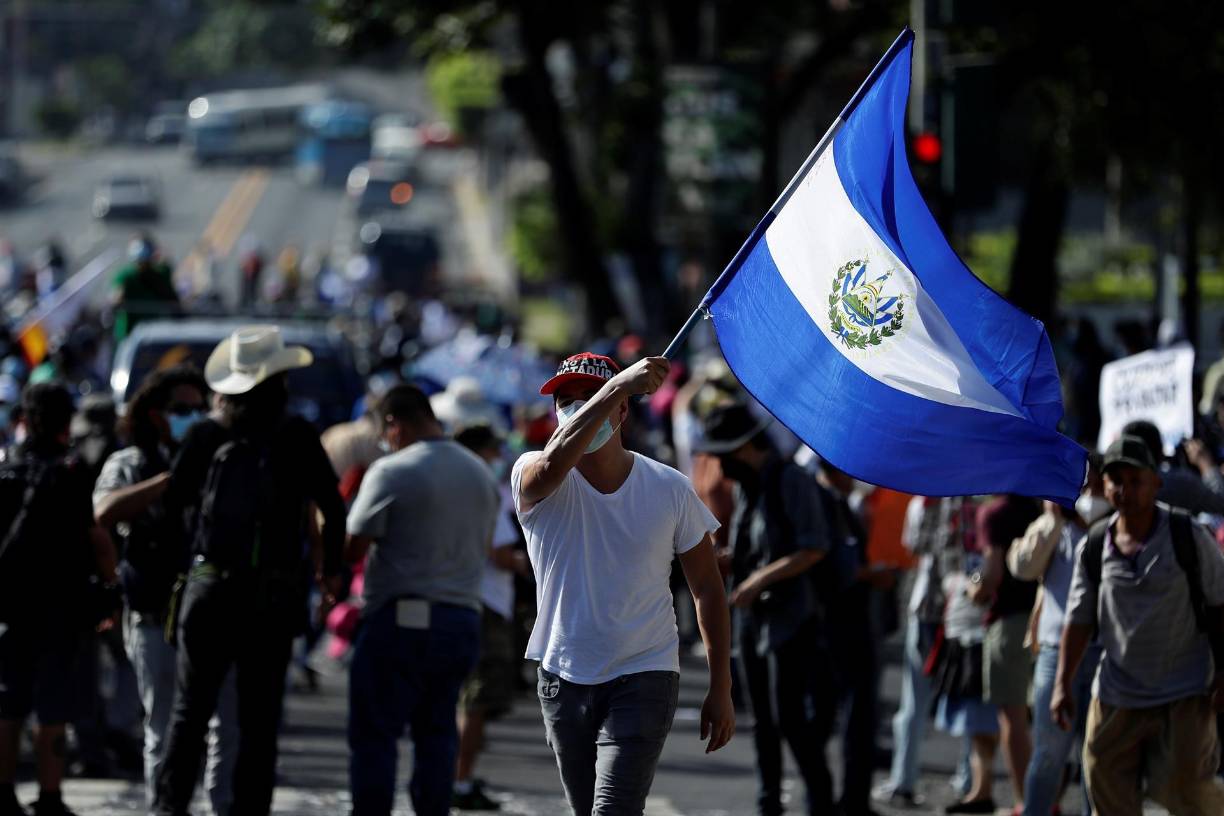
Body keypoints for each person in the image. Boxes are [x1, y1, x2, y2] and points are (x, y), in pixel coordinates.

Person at [513, 352, 734, 815]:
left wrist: (721, 685)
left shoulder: (669, 487)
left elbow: (707, 588)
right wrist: (614, 387)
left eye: (590, 397)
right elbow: (552, 467)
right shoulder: (532, 471)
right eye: (566, 401)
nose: (575, 409)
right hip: (563, 675)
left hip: (644, 673)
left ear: (622, 411)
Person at [149, 326, 346, 816]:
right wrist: (331, 570)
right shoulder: (296, 434)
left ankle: (168, 808)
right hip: (273, 598)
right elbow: (332, 507)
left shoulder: (205, 434)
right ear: (279, 379)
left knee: (189, 714)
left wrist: (182, 571)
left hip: (209, 589)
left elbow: (170, 509)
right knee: (259, 724)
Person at [343, 386, 500, 816]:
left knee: (375, 737)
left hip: (397, 619)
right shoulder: (480, 473)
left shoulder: (392, 470)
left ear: (396, 424)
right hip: (461, 622)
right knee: (437, 735)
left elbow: (354, 546)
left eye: (385, 432)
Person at [92, 366, 239, 814]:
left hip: (215, 614)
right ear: (155, 413)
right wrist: (169, 481)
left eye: (200, 408)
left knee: (227, 727)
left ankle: (222, 805)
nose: (192, 417)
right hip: (156, 617)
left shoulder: (223, 456)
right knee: (162, 728)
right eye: (180, 410)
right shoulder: (132, 462)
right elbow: (103, 512)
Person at [1055, 435, 1224, 814]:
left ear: (1156, 482)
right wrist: (1062, 683)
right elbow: (1079, 620)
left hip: (1183, 693)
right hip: (1118, 693)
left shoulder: (1189, 537)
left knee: (1187, 792)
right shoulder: (1096, 545)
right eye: (1116, 480)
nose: (1125, 489)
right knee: (1103, 784)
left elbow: (1219, 606)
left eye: (1135, 480)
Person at [700, 405, 833, 816]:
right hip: (752, 621)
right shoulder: (749, 487)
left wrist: (759, 580)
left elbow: (813, 547)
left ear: (745, 447)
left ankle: (821, 803)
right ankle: (768, 803)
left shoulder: (792, 480)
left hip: (789, 620)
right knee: (761, 721)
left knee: (791, 721)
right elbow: (752, 547)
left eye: (724, 452)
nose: (719, 464)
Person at [0, 383, 121, 816]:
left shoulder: (7, 468)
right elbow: (96, 538)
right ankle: (50, 798)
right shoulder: (70, 473)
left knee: (9, 699)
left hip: (11, 605)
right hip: (61, 606)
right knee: (53, 703)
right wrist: (110, 588)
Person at [1008, 459, 1108, 816]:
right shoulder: (1056, 529)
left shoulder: (1117, 529)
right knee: (1048, 755)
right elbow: (1022, 567)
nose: (1091, 494)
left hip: (1103, 654)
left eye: (1098, 486)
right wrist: (1050, 520)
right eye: (1085, 487)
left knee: (1096, 758)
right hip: (1054, 651)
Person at [452, 424, 532, 812]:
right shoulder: (481, 488)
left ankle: (458, 776)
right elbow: (499, 551)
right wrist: (526, 562)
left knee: (469, 700)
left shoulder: (457, 486)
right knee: (476, 702)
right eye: (492, 451)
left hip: (469, 599)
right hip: (486, 604)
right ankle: (460, 779)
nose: (498, 459)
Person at [816, 460, 891, 816]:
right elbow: (837, 567)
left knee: (850, 717)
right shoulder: (825, 503)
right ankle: (847, 802)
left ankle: (849, 799)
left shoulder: (838, 502)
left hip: (846, 624)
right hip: (841, 626)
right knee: (851, 717)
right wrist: (871, 574)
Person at [968, 495, 1041, 813]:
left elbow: (991, 574)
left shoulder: (993, 514)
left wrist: (973, 585)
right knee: (1037, 718)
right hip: (1042, 620)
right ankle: (1038, 798)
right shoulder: (1039, 509)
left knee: (1012, 718)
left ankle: (1026, 801)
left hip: (1009, 621)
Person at [111, 235, 179, 343]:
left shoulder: (160, 275)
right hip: (130, 335)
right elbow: (117, 298)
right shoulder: (127, 277)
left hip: (157, 332)